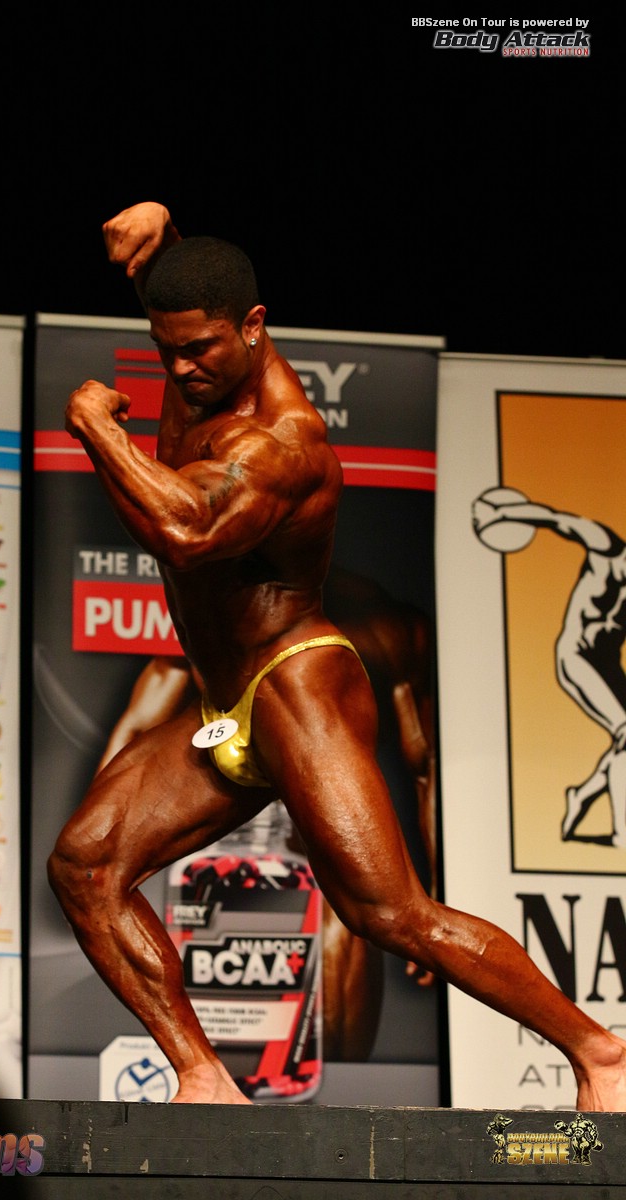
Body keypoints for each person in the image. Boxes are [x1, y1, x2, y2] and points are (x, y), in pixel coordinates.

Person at [49, 200, 626, 1108]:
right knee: (86, 867)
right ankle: (203, 1075)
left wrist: (96, 425)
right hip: (223, 701)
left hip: (297, 683)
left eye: (198, 350)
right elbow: (193, 295)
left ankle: (598, 1052)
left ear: (254, 327)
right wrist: (162, 239)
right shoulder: (206, 352)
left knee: (388, 914)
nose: (181, 368)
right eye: (166, 350)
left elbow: (186, 532)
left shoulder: (286, 445)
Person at [93, 569, 438, 1062]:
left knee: (349, 919)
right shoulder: (223, 613)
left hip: (319, 817)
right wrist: (101, 859)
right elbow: (138, 725)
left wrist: (433, 894)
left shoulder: (389, 628)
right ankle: (211, 1074)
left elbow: (424, 768)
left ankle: (339, 1087)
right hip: (229, 818)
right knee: (207, 927)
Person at [472, 493, 626, 848]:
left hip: (607, 664)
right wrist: (504, 513)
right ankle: (620, 829)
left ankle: (582, 795)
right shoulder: (607, 547)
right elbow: (556, 519)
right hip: (577, 657)